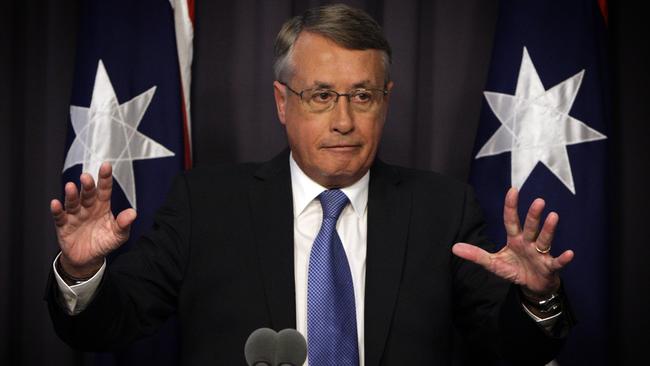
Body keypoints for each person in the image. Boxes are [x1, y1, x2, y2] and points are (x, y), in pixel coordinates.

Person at [47, 4, 575, 365]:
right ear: (282, 102)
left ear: (385, 102)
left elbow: (510, 350)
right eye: (321, 95)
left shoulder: (442, 210)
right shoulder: (206, 205)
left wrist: (538, 298)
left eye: (362, 96)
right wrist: (81, 271)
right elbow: (106, 329)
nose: (344, 120)